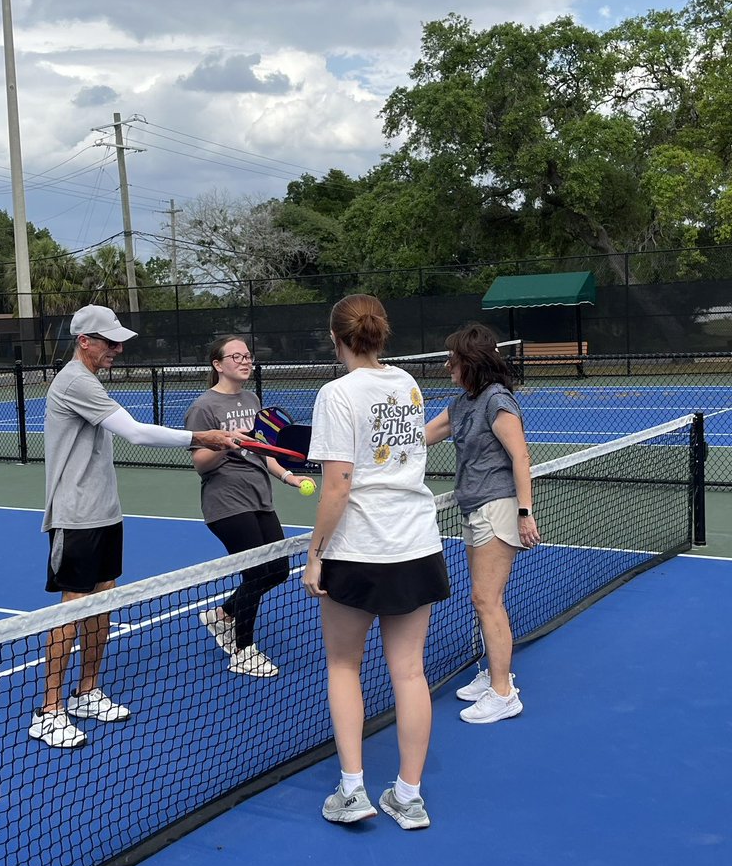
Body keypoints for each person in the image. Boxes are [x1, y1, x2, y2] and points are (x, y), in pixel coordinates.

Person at [33, 304, 243, 749]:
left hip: (105, 512)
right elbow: (136, 433)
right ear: (84, 341)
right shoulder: (74, 381)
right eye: (109, 341)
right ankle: (50, 710)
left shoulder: (89, 381)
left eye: (118, 341)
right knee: (72, 607)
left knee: (105, 598)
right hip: (76, 516)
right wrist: (201, 437)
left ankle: (86, 690)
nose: (118, 348)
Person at [303, 294, 450, 830]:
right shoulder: (407, 384)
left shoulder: (336, 393)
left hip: (359, 549)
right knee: (410, 672)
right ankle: (408, 796)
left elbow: (338, 484)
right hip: (416, 544)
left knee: (344, 666)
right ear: (381, 334)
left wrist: (315, 554)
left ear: (336, 337)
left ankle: (352, 791)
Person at [425, 323, 540, 725]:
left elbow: (521, 458)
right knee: (482, 598)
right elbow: (421, 437)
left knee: (486, 600)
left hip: (498, 507)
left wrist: (525, 512)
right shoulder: (461, 405)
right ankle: (496, 674)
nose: (447, 365)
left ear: (470, 362)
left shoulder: (497, 401)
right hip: (473, 508)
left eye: (452, 359)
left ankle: (504, 695)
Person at [184, 335, 315, 678]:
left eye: (248, 356)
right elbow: (200, 463)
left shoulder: (252, 399)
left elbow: (263, 451)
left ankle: (223, 614)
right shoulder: (204, 408)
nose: (245, 361)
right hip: (226, 501)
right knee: (256, 572)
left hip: (260, 495)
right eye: (237, 356)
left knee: (279, 570)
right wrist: (230, 442)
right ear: (218, 364)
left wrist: (288, 476)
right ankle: (244, 651)